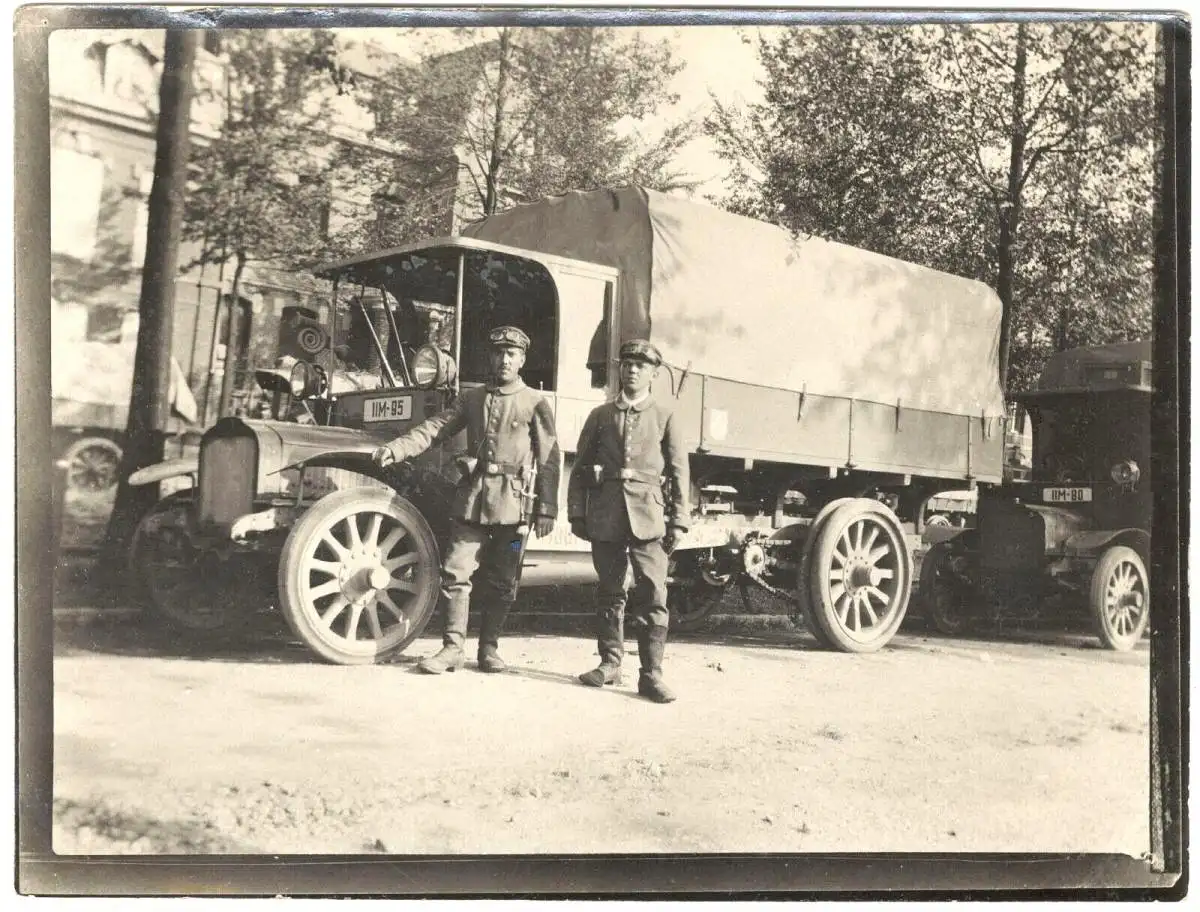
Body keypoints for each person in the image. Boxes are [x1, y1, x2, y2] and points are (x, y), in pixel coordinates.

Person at [372, 326, 560, 674]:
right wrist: (397, 448)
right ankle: (452, 648)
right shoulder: (472, 399)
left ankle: (489, 649)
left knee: (504, 580)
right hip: (472, 500)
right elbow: (435, 427)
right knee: (455, 572)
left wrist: (546, 508)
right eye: (498, 352)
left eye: (511, 354)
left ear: (522, 360)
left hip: (514, 506)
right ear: (490, 357)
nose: (504, 359)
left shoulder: (535, 402)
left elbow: (549, 457)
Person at [567, 339, 690, 703]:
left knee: (654, 592)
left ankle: (651, 674)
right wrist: (577, 512)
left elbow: (681, 471)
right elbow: (578, 470)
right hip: (606, 513)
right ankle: (610, 662)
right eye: (627, 363)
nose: (632, 369)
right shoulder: (601, 416)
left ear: (653, 373)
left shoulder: (665, 416)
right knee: (609, 589)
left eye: (641, 365)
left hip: (650, 517)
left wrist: (679, 519)